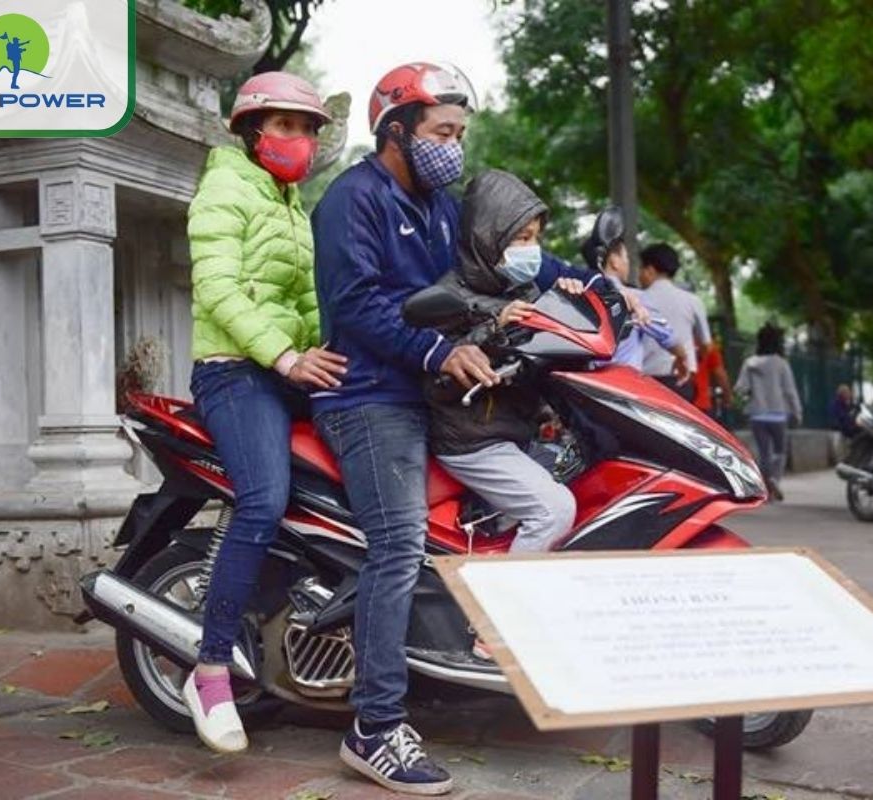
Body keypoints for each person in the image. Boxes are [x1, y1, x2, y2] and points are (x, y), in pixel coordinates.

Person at [311, 62, 603, 795]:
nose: (453, 147)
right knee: (400, 543)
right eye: (442, 132)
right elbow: (360, 307)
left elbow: (497, 255)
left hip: (437, 392)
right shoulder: (354, 201)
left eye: (460, 134)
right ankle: (374, 727)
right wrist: (440, 347)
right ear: (396, 131)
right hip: (372, 396)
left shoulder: (442, 204)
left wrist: (588, 282)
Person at [182, 72, 346, 754]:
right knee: (262, 499)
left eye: (307, 128)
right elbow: (216, 286)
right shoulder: (225, 186)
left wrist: (340, 355)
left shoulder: (292, 203)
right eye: (284, 126)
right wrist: (285, 357)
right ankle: (211, 667)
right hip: (234, 373)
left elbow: (308, 302)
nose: (299, 139)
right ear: (251, 132)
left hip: (288, 366)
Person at [425, 170, 578, 558]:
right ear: (488, 238)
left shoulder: (522, 289)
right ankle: (503, 615)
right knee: (554, 511)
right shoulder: (449, 295)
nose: (533, 249)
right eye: (522, 238)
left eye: (537, 238)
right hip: (473, 440)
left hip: (514, 433)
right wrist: (494, 329)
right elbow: (438, 382)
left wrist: (571, 299)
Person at [580, 209, 688, 380]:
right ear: (614, 261)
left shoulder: (580, 294)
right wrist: (682, 358)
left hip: (587, 387)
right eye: (626, 257)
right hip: (624, 387)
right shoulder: (632, 297)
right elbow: (665, 334)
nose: (627, 263)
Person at [735, 324, 802, 501]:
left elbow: (741, 388)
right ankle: (774, 480)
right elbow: (790, 391)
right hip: (778, 415)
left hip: (757, 414)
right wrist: (797, 412)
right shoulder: (781, 364)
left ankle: (766, 487)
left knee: (764, 452)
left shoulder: (749, 363)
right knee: (780, 451)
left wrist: (748, 396)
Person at [638, 243, 712, 402]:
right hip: (682, 382)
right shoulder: (693, 301)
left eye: (641, 270)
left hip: (646, 382)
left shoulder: (638, 300)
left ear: (650, 270)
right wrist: (691, 360)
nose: (639, 275)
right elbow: (707, 346)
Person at [692, 329, 733, 423]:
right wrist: (728, 397)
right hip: (701, 403)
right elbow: (721, 376)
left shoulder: (672, 345)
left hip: (676, 402)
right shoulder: (708, 347)